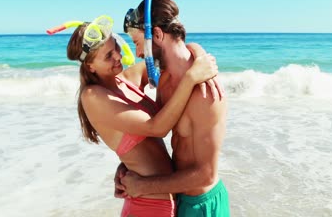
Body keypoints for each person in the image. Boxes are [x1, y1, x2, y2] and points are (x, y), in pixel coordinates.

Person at [61, 15, 221, 216]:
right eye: (108, 55)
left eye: (116, 48)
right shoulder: (93, 96)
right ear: (90, 66)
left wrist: (200, 56)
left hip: (168, 201)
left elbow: (176, 54)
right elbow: (157, 128)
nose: (118, 57)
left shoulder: (127, 79)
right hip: (147, 206)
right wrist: (190, 79)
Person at [118, 0, 230, 216]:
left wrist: (142, 186)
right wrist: (128, 168)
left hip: (203, 205)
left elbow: (206, 174)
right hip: (178, 197)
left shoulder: (207, 94)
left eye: (138, 43)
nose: (139, 53)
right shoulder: (166, 81)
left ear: (157, 35)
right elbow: (152, 133)